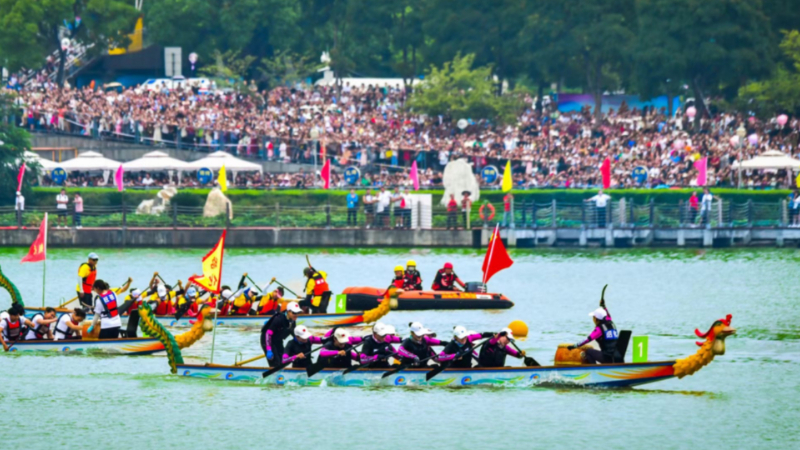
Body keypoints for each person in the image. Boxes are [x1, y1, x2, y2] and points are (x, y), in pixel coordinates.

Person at [261, 301, 302, 367]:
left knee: (283, 361)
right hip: (267, 340)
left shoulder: (292, 321)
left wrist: (302, 345)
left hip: (278, 340)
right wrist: (269, 349)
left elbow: (295, 335)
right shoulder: (278, 319)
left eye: (298, 313)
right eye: (294, 313)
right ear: (288, 311)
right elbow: (268, 334)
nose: (296, 315)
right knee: (276, 364)